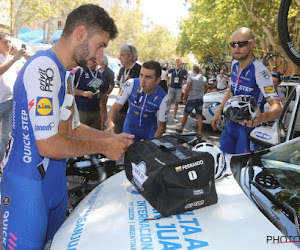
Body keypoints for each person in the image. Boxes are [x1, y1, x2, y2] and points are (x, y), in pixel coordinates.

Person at [0, 5, 134, 249]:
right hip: (26, 188)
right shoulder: (44, 67)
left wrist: (111, 137)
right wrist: (105, 146)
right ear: (81, 33)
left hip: (55, 185)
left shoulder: (67, 76)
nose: (101, 54)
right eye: (100, 44)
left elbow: (72, 129)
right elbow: (48, 144)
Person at [211, 27, 282, 154]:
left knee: (242, 171)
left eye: (241, 44)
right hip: (230, 126)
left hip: (247, 131)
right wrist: (218, 111)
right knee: (222, 165)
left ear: (252, 43)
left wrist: (262, 118)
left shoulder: (260, 71)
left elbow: (276, 106)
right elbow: (231, 90)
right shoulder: (234, 64)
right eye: (233, 44)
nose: (236, 48)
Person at [107, 60, 170, 142]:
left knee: (149, 152)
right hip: (130, 127)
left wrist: (153, 145)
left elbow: (162, 126)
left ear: (158, 80)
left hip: (149, 130)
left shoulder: (164, 98)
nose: (142, 81)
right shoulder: (130, 84)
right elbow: (115, 108)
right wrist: (111, 127)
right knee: (128, 152)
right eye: (141, 75)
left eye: (148, 77)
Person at [0, 32, 26, 162]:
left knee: (6, 135)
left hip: (11, 102)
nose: (8, 44)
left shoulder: (14, 60)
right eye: (5, 41)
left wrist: (24, 55)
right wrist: (14, 59)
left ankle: (1, 161)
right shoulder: (10, 59)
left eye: (9, 41)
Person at [176, 65, 207, 140]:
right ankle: (199, 132)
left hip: (192, 99)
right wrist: (203, 94)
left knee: (185, 115)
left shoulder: (191, 77)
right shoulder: (203, 78)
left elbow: (187, 88)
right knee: (199, 116)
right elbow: (206, 87)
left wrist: (184, 98)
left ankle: (181, 129)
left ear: (193, 70)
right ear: (199, 70)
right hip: (200, 99)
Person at [115, 44, 141, 133]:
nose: (119, 58)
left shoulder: (140, 70)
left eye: (122, 55)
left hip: (133, 112)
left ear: (130, 56)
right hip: (121, 109)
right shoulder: (122, 70)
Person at [74, 58, 103, 130]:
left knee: (96, 136)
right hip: (82, 110)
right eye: (89, 59)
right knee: (82, 135)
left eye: (92, 59)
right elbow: (69, 89)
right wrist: (83, 93)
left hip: (96, 110)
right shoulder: (80, 71)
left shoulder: (99, 73)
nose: (90, 61)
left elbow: (103, 91)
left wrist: (103, 110)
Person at [166, 58, 188, 123]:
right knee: (169, 102)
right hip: (171, 87)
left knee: (176, 103)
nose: (178, 63)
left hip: (178, 88)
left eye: (180, 62)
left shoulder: (183, 70)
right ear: (175, 62)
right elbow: (166, 74)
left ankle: (174, 117)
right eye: (177, 62)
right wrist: (168, 81)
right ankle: (166, 116)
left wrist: (184, 83)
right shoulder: (172, 69)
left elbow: (189, 77)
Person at [99, 54, 115, 130]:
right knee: (99, 108)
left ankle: (103, 125)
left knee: (103, 108)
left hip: (104, 93)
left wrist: (107, 93)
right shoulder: (98, 70)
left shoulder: (109, 71)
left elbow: (112, 84)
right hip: (97, 92)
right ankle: (101, 124)